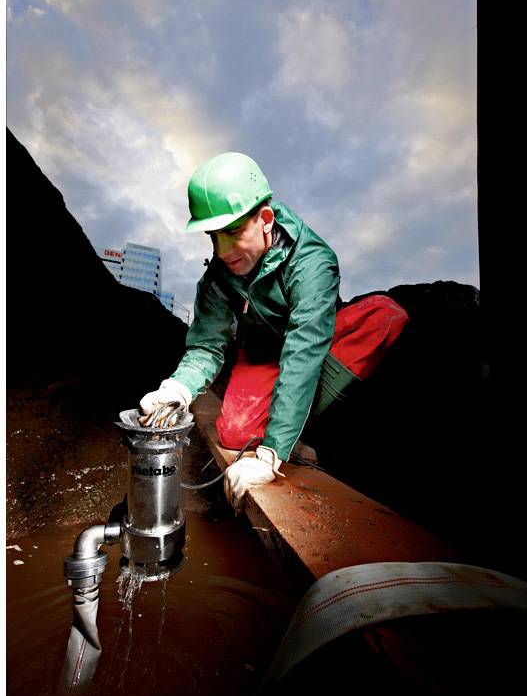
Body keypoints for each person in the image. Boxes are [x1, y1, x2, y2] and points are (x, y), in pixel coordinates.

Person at [140, 152, 408, 510]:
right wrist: (177, 388)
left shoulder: (313, 262)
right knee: (234, 434)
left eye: (233, 232)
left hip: (315, 342)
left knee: (383, 318)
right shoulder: (216, 281)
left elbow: (303, 352)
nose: (222, 252)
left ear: (265, 219)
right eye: (213, 237)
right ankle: (287, 428)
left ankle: (292, 430)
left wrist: (271, 452)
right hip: (263, 354)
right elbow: (206, 347)